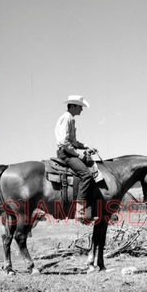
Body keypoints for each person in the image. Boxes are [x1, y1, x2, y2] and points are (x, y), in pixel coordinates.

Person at [55, 95, 97, 224]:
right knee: (86, 175)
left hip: (69, 152)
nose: (82, 110)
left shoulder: (70, 119)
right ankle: (79, 212)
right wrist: (78, 154)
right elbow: (63, 142)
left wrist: (85, 146)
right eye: (80, 107)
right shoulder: (66, 118)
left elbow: (72, 141)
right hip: (66, 154)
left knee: (91, 166)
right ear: (72, 106)